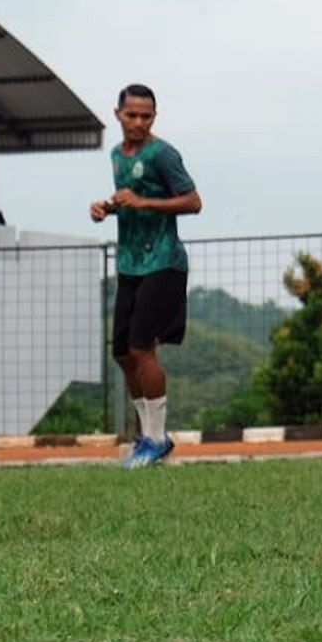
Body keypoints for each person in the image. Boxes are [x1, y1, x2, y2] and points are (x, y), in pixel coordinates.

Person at [90, 84, 202, 469]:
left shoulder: (163, 153)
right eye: (132, 115)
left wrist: (142, 202)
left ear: (154, 117)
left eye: (146, 116)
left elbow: (193, 201)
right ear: (117, 114)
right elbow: (130, 197)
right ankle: (148, 436)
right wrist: (108, 207)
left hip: (164, 263)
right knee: (121, 352)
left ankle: (157, 438)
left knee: (142, 349)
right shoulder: (117, 155)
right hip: (129, 263)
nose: (138, 122)